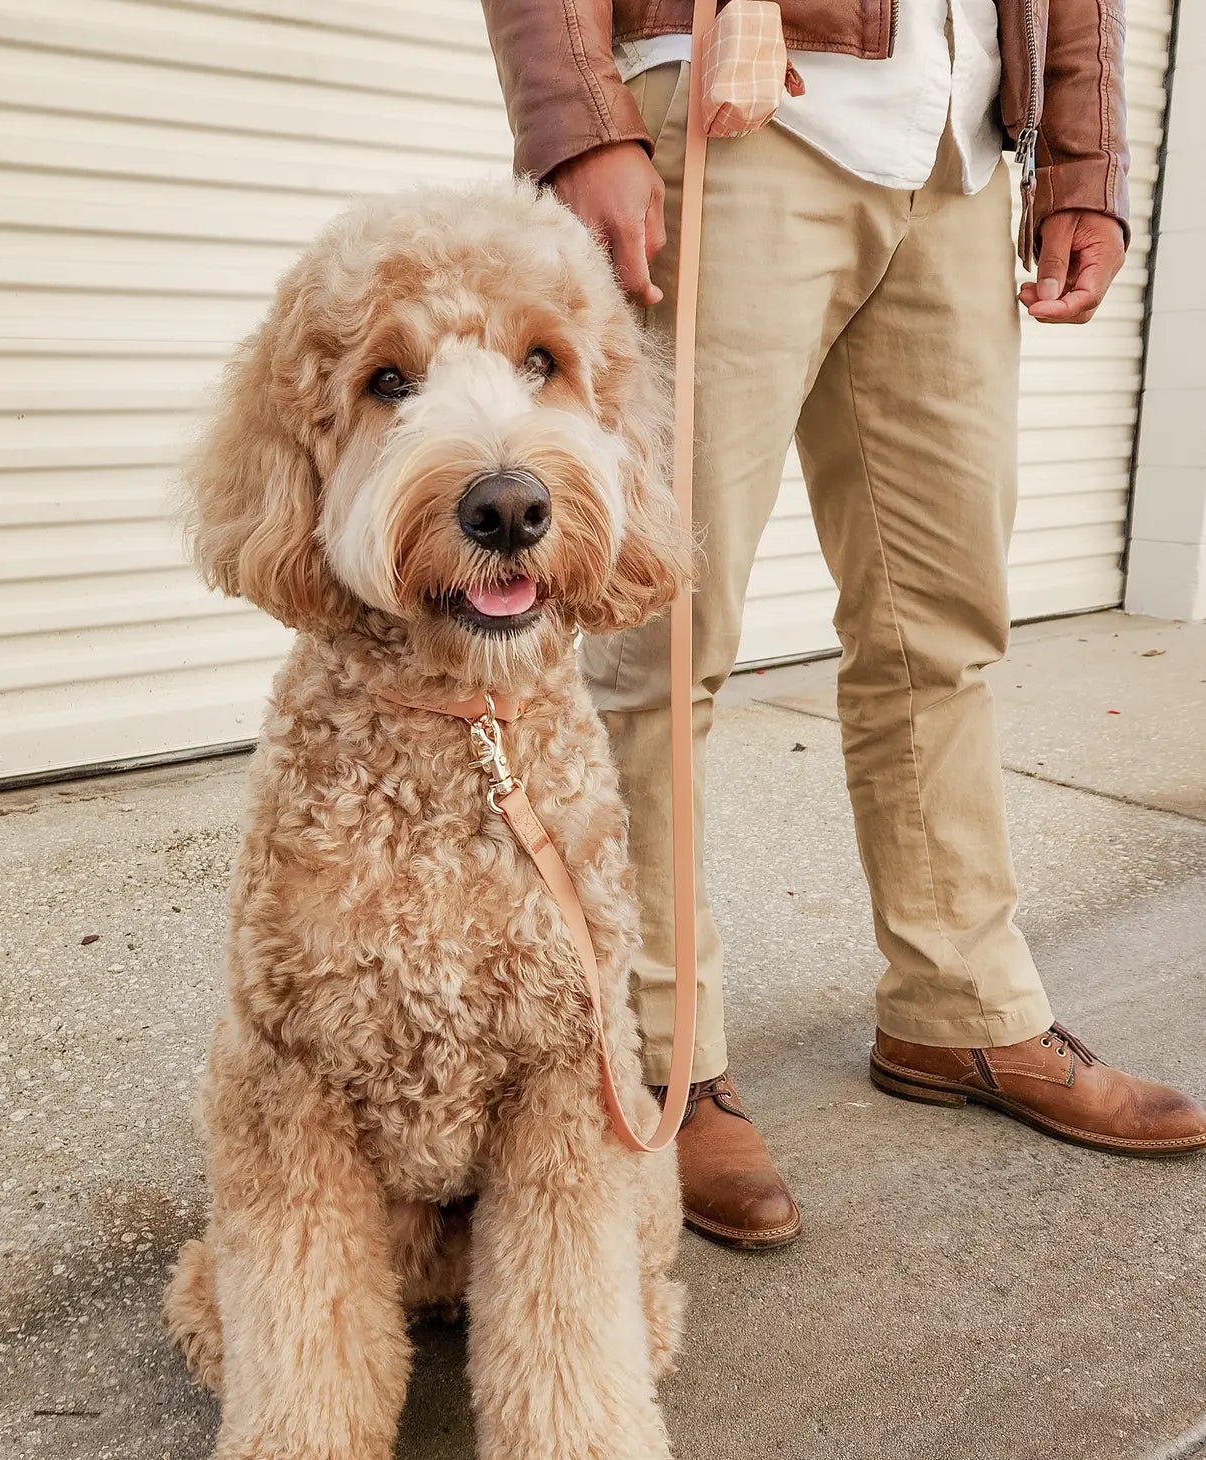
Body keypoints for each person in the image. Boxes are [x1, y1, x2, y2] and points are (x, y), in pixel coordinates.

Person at [480, 0, 1206, 1248]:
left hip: (959, 143)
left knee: (943, 625)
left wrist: (1080, 157)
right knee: (655, 633)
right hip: (730, 109)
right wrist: (579, 123)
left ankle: (954, 1001)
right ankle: (661, 1058)